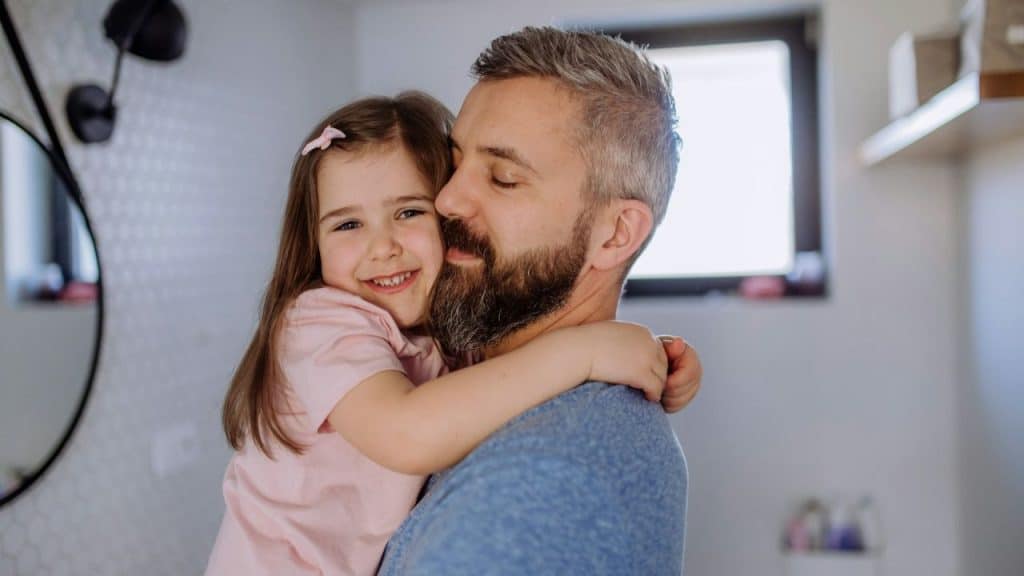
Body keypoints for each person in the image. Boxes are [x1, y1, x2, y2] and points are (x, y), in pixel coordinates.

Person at [204, 92, 699, 576]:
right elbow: (407, 432)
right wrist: (585, 353)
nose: (382, 247)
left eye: (409, 213)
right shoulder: (318, 322)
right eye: (348, 224)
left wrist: (652, 357)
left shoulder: (446, 329)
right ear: (311, 243)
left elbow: (506, 379)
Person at [377, 27, 698, 575]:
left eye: (503, 179)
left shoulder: (537, 485)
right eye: (454, 162)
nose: (447, 199)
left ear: (617, 234)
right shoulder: (532, 386)